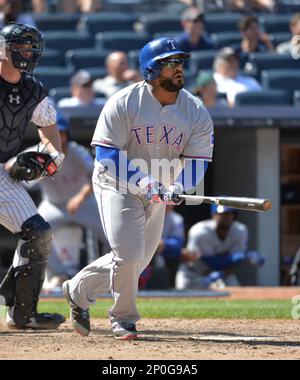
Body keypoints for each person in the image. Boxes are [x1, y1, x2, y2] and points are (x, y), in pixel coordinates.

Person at [62, 37, 214, 339]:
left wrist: (180, 187)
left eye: (180, 62)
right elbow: (106, 155)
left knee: (137, 261)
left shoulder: (195, 110)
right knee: (128, 256)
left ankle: (77, 291)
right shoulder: (124, 101)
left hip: (160, 188)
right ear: (150, 71)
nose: (178, 68)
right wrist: (146, 183)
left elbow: (198, 159)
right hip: (117, 183)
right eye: (170, 63)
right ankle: (124, 318)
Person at [0, 23, 65, 329]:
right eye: (20, 47)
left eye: (30, 48)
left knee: (39, 233)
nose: (26, 53)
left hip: (2, 174)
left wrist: (52, 157)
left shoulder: (33, 89)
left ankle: (22, 313)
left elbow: (50, 128)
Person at [6, 115, 110, 289]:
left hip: (83, 204)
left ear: (66, 134)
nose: (57, 136)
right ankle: (60, 274)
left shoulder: (77, 151)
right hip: (53, 205)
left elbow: (95, 176)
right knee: (35, 233)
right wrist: (18, 167)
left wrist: (80, 197)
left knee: (111, 233)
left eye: (60, 132)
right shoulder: (39, 151)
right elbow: (10, 165)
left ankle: (110, 275)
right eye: (53, 132)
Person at [176, 204, 264, 289]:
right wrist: (242, 255)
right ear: (214, 215)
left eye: (230, 213)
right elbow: (212, 262)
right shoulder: (200, 232)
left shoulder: (240, 230)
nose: (228, 217)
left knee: (235, 291)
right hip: (193, 273)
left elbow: (234, 264)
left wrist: (223, 273)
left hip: (222, 273)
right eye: (223, 214)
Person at [140, 205, 185, 289]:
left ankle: (167, 286)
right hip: (142, 248)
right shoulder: (143, 213)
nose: (167, 205)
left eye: (169, 203)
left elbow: (177, 244)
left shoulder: (176, 219)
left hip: (161, 252)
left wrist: (164, 243)